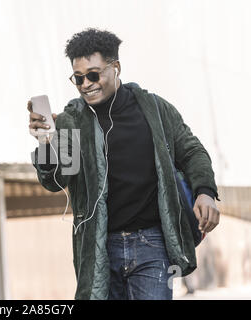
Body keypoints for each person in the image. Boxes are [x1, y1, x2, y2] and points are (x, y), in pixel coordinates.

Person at [27, 28, 220, 300]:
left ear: (115, 67)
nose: (85, 84)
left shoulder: (154, 109)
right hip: (99, 248)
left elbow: (192, 152)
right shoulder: (72, 120)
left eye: (93, 75)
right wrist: (45, 143)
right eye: (78, 78)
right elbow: (56, 181)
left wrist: (205, 192)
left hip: (152, 244)